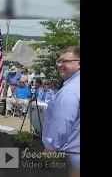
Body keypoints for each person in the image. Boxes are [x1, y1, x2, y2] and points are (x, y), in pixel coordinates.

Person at [42, 46, 80, 177]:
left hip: (72, 156)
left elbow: (62, 122)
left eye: (65, 61)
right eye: (59, 61)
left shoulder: (69, 92)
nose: (60, 65)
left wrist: (50, 148)